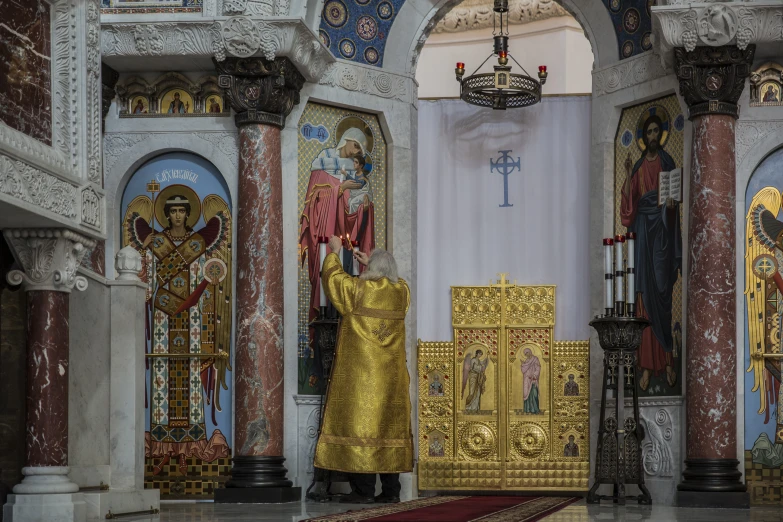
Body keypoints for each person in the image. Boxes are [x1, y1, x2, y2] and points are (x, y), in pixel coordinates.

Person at [314, 237, 412, 504]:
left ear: (373, 271)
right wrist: (376, 264)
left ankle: (363, 491)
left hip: (362, 379)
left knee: (363, 430)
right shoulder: (402, 292)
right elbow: (396, 279)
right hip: (391, 381)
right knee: (387, 431)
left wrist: (334, 253)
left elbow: (334, 280)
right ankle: (391, 492)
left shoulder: (359, 290)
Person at [621, 113, 681, 391]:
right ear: (644, 137)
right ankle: (645, 367)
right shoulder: (638, 169)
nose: (654, 136)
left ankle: (667, 362)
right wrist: (626, 175)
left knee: (662, 294)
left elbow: (674, 205)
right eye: (650, 132)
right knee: (643, 297)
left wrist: (670, 205)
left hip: (663, 239)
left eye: (658, 131)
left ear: (662, 133)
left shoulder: (668, 164)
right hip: (644, 233)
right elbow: (628, 207)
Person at [521, 348, 540, 413]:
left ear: (530, 352)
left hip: (533, 380)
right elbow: (523, 370)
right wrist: (523, 365)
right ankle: (528, 409)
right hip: (527, 379)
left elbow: (538, 368)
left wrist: (534, 375)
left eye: (527, 353)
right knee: (527, 394)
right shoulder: (526, 361)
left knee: (534, 394)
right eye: (525, 354)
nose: (526, 355)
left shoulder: (535, 359)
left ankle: (535, 409)